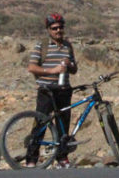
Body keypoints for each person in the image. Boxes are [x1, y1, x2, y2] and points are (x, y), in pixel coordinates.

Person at [26, 13, 78, 168]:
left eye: (61, 27)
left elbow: (74, 70)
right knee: (40, 123)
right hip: (46, 90)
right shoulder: (42, 46)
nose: (58, 30)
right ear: (48, 29)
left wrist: (70, 65)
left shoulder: (68, 46)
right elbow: (32, 67)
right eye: (54, 28)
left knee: (63, 124)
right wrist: (52, 70)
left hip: (64, 90)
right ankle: (31, 159)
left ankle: (62, 157)